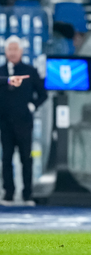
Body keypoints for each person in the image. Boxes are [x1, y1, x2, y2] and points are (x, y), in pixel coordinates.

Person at [0, 35, 47, 206]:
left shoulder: (30, 71)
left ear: (21, 51)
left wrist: (32, 106)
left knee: (26, 159)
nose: (12, 52)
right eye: (9, 49)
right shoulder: (2, 72)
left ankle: (27, 194)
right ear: (5, 51)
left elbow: (43, 94)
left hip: (24, 123)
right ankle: (8, 194)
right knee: (6, 159)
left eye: (15, 49)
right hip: (5, 123)